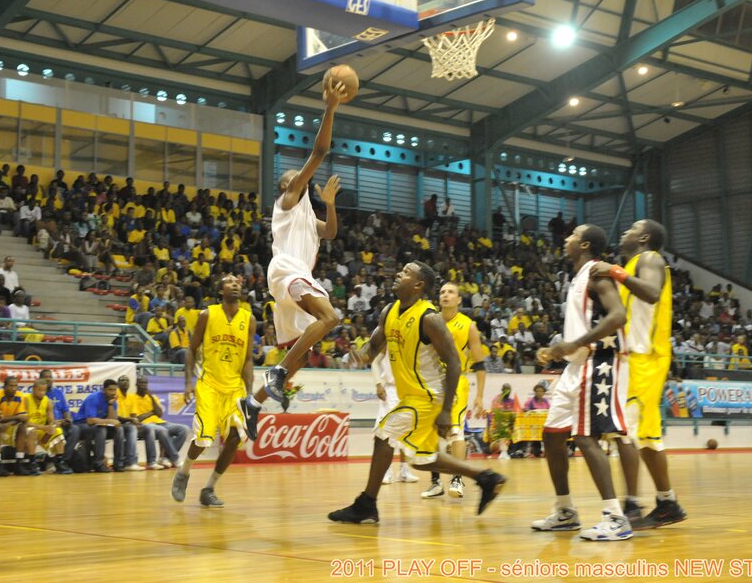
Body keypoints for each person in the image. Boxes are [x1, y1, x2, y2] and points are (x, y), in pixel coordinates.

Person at [328, 262, 506, 524]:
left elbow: (454, 362)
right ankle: (486, 478)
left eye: (406, 273)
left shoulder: (429, 318)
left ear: (418, 285)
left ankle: (367, 504)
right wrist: (360, 355)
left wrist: (446, 411)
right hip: (411, 396)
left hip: (429, 396)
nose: (398, 274)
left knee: (383, 435)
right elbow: (374, 346)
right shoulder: (389, 311)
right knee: (420, 460)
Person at [239, 81, 348, 439]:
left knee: (301, 355)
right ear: (288, 187)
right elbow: (319, 152)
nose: (297, 181)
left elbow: (330, 233)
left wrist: (330, 204)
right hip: (288, 270)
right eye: (293, 180)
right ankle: (278, 374)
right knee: (331, 317)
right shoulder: (287, 203)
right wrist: (330, 107)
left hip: (291, 278)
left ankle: (253, 403)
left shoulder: (307, 216)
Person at [532, 224, 632, 541]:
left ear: (585, 244)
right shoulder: (577, 277)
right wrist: (558, 349)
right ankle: (565, 511)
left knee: (586, 438)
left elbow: (618, 316)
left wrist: (574, 344)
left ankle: (615, 518)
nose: (567, 239)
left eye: (573, 235)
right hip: (575, 366)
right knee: (552, 435)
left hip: (597, 362)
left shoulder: (597, 273)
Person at [590, 219, 688, 528]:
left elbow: (652, 293)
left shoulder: (650, 258)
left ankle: (631, 507)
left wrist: (614, 272)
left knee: (625, 431)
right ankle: (667, 502)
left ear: (644, 237)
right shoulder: (632, 266)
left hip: (644, 356)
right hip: (636, 357)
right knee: (645, 436)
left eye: (632, 228)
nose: (625, 232)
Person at [173, 275, 255, 508]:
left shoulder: (249, 319)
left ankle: (209, 488)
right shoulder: (207, 314)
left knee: (236, 436)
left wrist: (249, 394)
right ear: (220, 291)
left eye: (238, 282)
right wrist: (188, 383)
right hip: (209, 383)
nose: (235, 284)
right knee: (204, 437)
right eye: (229, 282)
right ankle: (184, 472)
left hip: (235, 387)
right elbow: (191, 350)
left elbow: (248, 359)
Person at [422, 281, 485, 500]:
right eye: (442, 292)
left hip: (457, 381)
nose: (445, 295)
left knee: (455, 430)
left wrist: (479, 396)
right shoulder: (430, 321)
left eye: (450, 292)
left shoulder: (468, 325)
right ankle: (435, 482)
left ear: (458, 300)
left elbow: (480, 363)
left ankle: (457, 478)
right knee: (430, 433)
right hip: (432, 380)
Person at [371, 346, 418, 485]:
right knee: (386, 433)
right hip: (390, 390)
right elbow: (374, 362)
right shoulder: (387, 340)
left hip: (407, 391)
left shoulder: (412, 340)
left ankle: (404, 471)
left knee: (405, 433)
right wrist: (378, 384)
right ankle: (386, 471)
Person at [128, 376, 189, 469]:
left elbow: (159, 414)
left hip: (160, 422)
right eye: (141, 383)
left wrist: (151, 398)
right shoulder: (132, 397)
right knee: (162, 430)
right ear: (136, 384)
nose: (143, 385)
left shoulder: (153, 397)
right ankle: (175, 458)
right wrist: (152, 412)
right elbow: (138, 418)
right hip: (146, 424)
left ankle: (165, 458)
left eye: (145, 383)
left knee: (184, 429)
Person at [72, 379, 125, 473]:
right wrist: (110, 421)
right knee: (101, 429)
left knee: (119, 429)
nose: (113, 392)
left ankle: (118, 464)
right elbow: (90, 420)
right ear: (103, 390)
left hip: (98, 425)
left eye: (114, 390)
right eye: (110, 390)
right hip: (81, 425)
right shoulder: (93, 398)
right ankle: (99, 464)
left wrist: (110, 404)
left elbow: (113, 420)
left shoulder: (113, 401)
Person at [24, 378, 73, 475]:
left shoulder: (48, 401)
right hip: (26, 431)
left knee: (58, 431)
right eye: (39, 390)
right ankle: (32, 463)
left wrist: (52, 426)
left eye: (44, 390)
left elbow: (51, 421)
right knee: (32, 431)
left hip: (41, 431)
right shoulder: (26, 399)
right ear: (33, 389)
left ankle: (59, 461)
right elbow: (24, 423)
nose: (42, 393)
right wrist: (43, 427)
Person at [0, 376, 30, 475]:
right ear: (4, 386)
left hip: (11, 426)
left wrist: (8, 423)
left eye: (15, 386)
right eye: (11, 386)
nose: (13, 388)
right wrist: (16, 417)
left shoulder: (20, 395)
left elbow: (24, 418)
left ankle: (19, 462)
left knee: (22, 427)